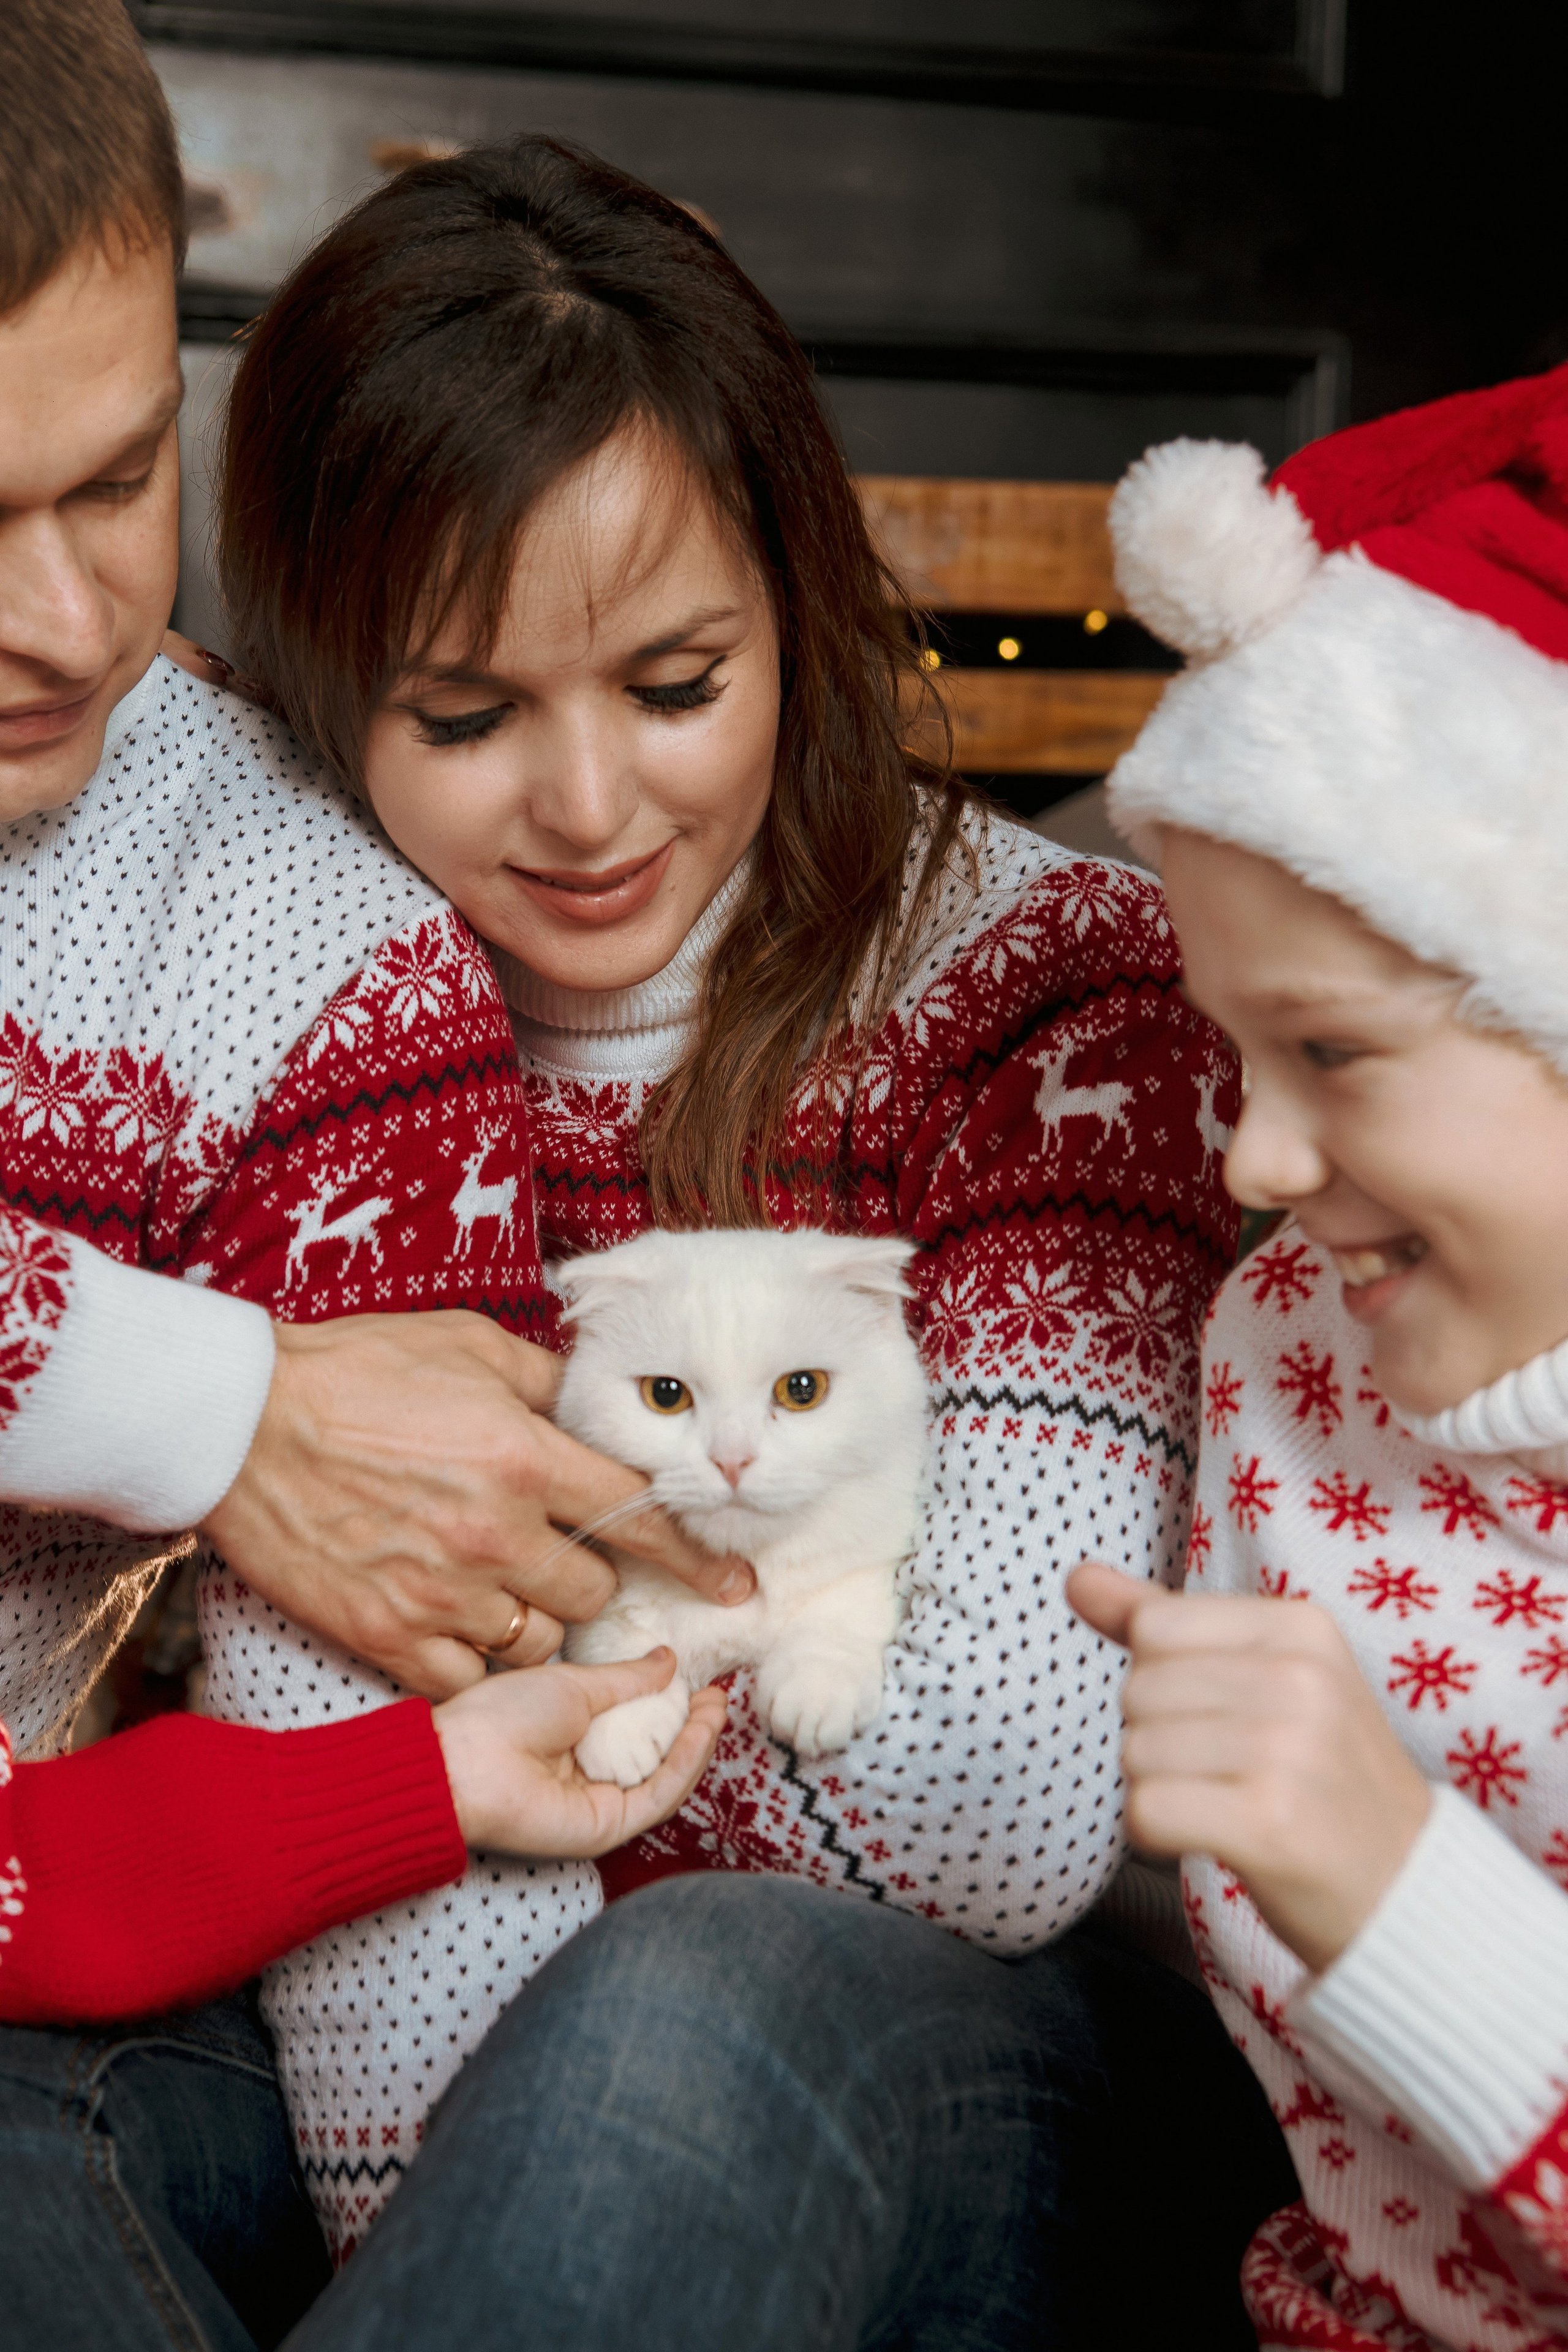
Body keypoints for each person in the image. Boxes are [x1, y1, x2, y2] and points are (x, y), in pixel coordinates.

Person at [178, 124, 1296, 2331]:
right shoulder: (287, 992)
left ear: (800, 595)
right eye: (466, 715)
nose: (590, 815)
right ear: (319, 681)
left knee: (689, 1996)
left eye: (677, 685)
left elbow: (991, 1805)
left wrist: (530, 1707)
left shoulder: (1062, 991)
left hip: (973, 2064)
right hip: (385, 2056)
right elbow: (313, 1708)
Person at [0, 0, 749, 1703]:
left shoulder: (312, 931)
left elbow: (398, 1801)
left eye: (120, 481)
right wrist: (213, 1409)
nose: (65, 622)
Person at [1069, 374, 1568, 2350]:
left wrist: (1402, 1891)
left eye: (1337, 1052)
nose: (1255, 1167)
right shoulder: (1293, 1337)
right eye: (1231, 1056)